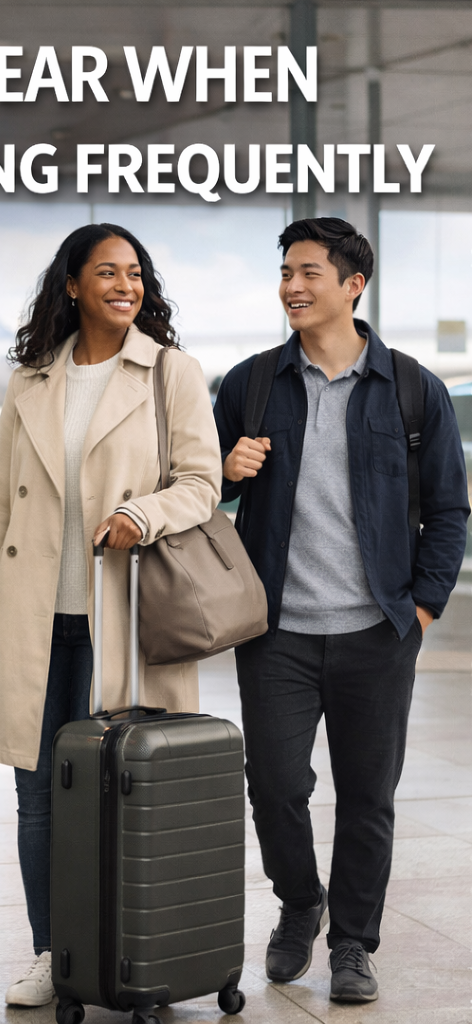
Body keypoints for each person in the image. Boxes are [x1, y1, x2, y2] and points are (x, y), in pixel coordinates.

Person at [0, 223, 223, 1007]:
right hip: (35, 621)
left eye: (134, 272)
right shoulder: (31, 380)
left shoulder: (170, 372)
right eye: (106, 272)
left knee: (131, 790)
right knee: (38, 797)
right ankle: (54, 952)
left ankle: (144, 944)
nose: (124, 285)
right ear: (71, 284)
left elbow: (203, 484)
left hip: (126, 624)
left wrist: (143, 512)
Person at [213, 217, 469, 1003]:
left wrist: (421, 610)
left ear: (354, 285)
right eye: (286, 271)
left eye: (309, 272)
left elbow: (449, 511)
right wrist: (227, 469)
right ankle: (300, 905)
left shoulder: (413, 389)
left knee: (367, 798)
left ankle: (354, 942)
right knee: (277, 786)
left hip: (376, 633)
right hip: (277, 631)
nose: (292, 286)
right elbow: (199, 491)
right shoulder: (251, 384)